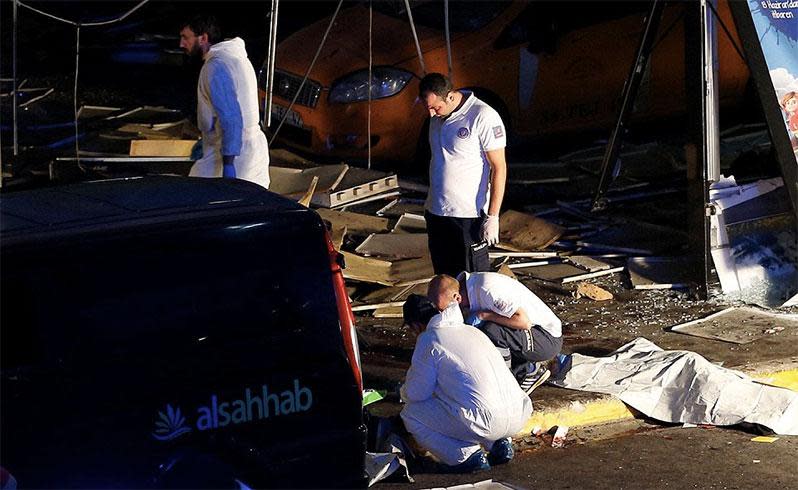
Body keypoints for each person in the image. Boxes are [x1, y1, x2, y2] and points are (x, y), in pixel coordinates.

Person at [400, 294, 533, 473]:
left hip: (487, 422)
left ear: (416, 325)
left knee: (411, 414)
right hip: (518, 414)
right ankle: (499, 444)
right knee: (465, 397)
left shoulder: (430, 339)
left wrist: (402, 391)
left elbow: (417, 393)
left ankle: (466, 456)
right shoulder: (472, 331)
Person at [418, 73, 507, 277]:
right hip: (437, 213)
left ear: (450, 96)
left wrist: (493, 216)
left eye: (435, 107)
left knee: (472, 280)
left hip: (468, 216)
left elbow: (499, 167)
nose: (431, 114)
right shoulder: (436, 117)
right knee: (444, 280)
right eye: (427, 108)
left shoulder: (482, 116)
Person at [427, 272, 563, 395]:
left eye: (443, 309)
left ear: (457, 298)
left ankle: (508, 384)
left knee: (492, 330)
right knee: (478, 331)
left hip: (547, 338)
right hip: (531, 333)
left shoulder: (487, 290)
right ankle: (527, 370)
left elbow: (523, 322)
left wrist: (484, 315)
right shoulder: (465, 288)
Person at [179, 15, 270, 188]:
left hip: (235, 156)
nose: (181, 44)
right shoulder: (236, 58)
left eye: (186, 37)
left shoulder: (216, 67)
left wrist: (228, 165)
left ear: (203, 38)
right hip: (248, 149)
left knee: (198, 201)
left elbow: (231, 118)